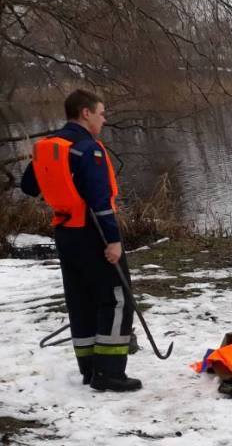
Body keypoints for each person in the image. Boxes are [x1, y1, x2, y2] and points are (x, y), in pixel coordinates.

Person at [21, 89, 142, 391]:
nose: (104, 119)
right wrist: (113, 241)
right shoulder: (89, 149)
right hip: (93, 234)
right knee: (116, 300)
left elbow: (28, 186)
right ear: (85, 113)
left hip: (65, 233)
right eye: (101, 113)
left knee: (81, 301)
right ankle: (110, 373)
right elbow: (100, 202)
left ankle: (89, 369)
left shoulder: (48, 147)